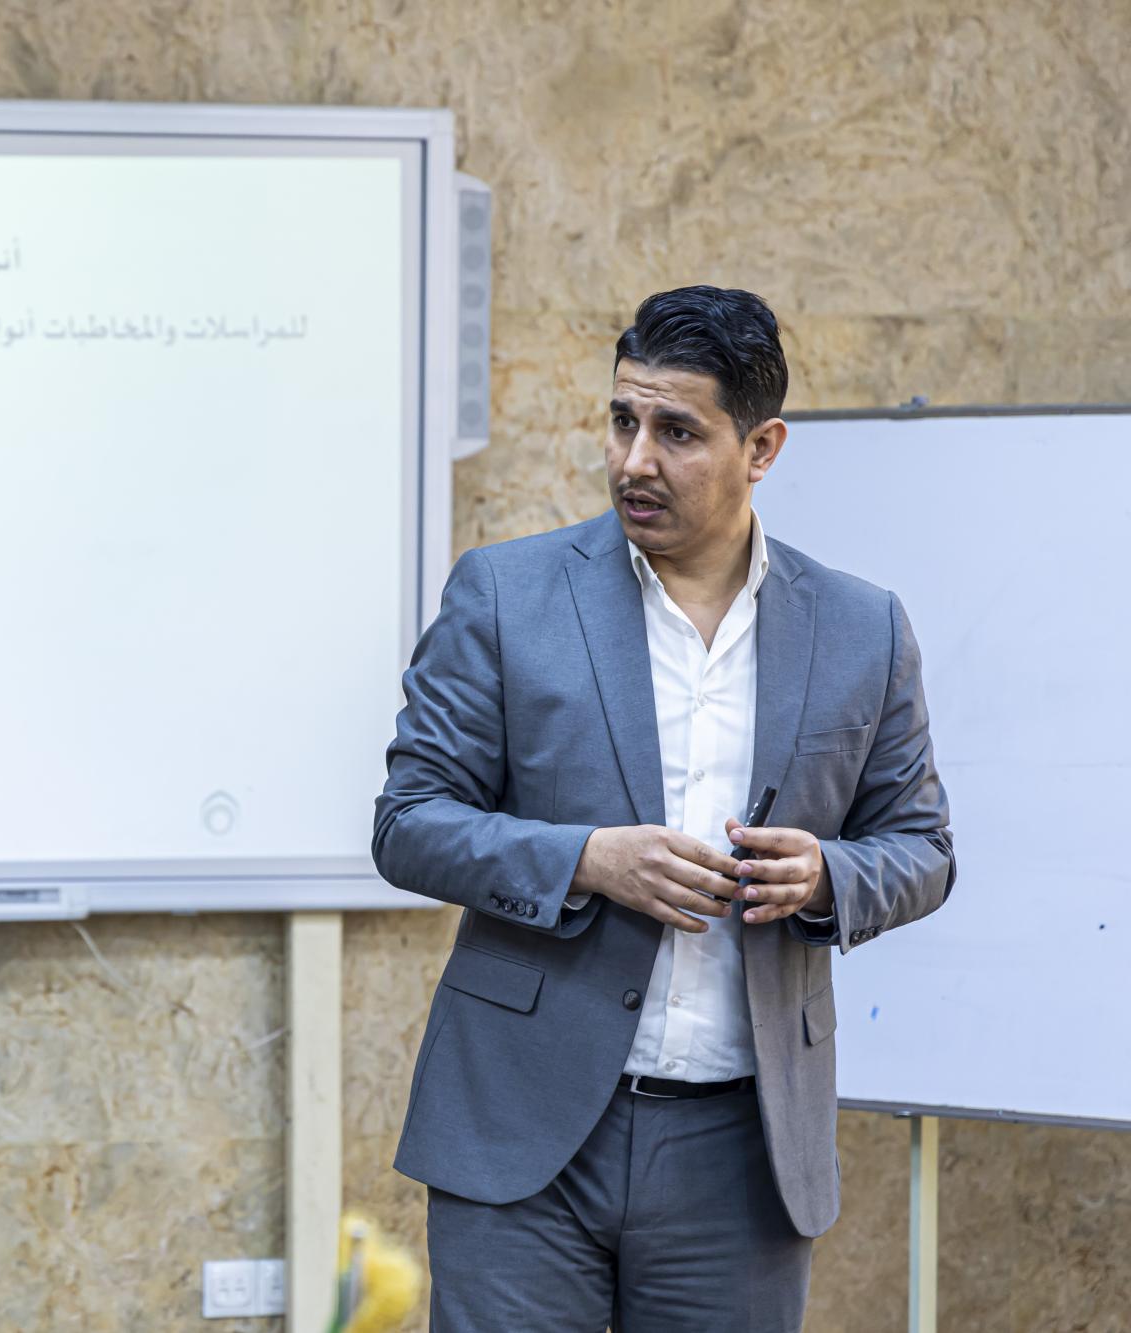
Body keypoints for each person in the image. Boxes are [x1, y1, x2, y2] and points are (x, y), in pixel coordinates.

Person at [372, 286, 955, 1331]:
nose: (634, 460)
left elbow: (922, 847)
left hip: (742, 1149)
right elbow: (408, 821)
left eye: (676, 431)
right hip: (520, 1131)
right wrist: (586, 859)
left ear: (761, 447)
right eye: (621, 420)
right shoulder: (504, 596)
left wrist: (828, 875)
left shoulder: (860, 628)